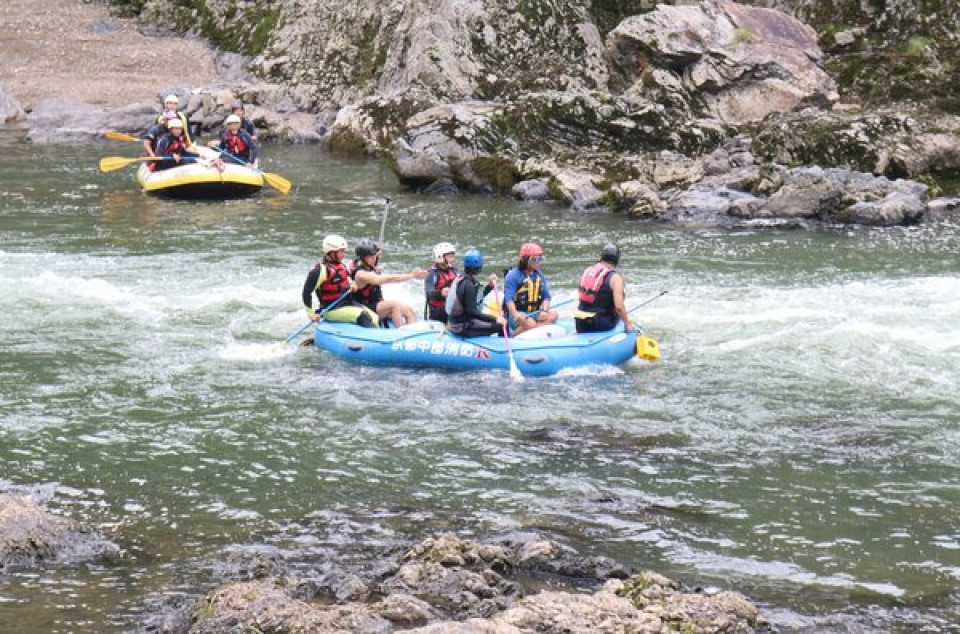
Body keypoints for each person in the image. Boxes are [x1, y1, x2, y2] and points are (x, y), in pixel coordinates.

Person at [302, 235, 378, 328]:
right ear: (331, 252)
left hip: (347, 303)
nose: (344, 254)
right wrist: (311, 314)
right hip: (331, 309)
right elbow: (306, 292)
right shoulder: (320, 270)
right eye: (341, 251)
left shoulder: (341, 266)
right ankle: (375, 339)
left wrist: (352, 285)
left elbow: (347, 281)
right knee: (363, 315)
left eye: (344, 251)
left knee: (374, 317)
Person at [348, 239, 428, 327]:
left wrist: (377, 251)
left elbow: (377, 254)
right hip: (365, 307)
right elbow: (389, 279)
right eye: (371, 257)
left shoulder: (367, 262)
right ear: (363, 258)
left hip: (376, 302)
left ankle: (413, 333)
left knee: (407, 309)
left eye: (374, 255)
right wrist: (413, 275)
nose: (374, 259)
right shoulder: (361, 275)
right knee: (394, 306)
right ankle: (401, 333)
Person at [574, 243, 633, 334]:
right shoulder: (615, 278)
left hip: (580, 323)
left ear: (601, 257)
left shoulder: (588, 271)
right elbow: (619, 307)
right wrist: (627, 323)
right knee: (620, 316)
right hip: (600, 324)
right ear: (617, 261)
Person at [446, 248, 505, 337]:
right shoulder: (469, 284)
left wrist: (490, 286)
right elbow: (472, 312)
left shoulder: (462, 278)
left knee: (494, 321)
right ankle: (502, 348)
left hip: (457, 323)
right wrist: (495, 319)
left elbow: (476, 300)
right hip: (462, 327)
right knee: (501, 326)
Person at [502, 242, 558, 336]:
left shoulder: (539, 275)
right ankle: (513, 336)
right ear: (526, 260)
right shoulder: (512, 276)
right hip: (518, 314)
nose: (539, 261)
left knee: (553, 315)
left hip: (534, 312)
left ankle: (533, 330)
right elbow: (508, 300)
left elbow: (546, 297)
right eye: (536, 259)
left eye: (540, 258)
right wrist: (516, 314)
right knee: (530, 323)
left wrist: (544, 311)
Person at [423, 242, 458, 322]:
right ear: (440, 257)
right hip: (437, 312)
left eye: (453, 255)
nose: (453, 258)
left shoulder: (455, 271)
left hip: (452, 307)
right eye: (450, 256)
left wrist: (489, 286)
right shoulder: (432, 274)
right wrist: (441, 293)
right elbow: (429, 293)